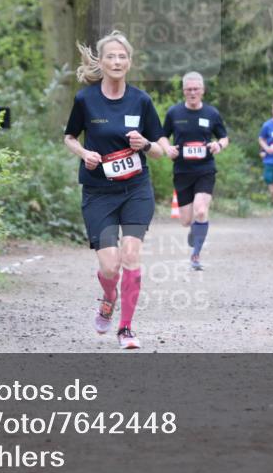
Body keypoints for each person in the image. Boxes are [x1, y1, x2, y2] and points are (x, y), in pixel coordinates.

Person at [63, 31, 165, 350]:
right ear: (101, 61)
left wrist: (145, 144)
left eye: (122, 56)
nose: (117, 61)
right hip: (98, 193)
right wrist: (84, 154)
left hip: (136, 190)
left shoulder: (141, 101)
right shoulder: (86, 99)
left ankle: (126, 329)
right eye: (111, 56)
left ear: (129, 62)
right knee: (110, 266)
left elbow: (161, 149)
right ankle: (109, 298)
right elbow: (69, 137)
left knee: (131, 255)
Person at [159, 72, 229, 271]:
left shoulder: (211, 113)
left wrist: (218, 145)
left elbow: (224, 137)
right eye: (189, 89)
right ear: (183, 91)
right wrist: (167, 149)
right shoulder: (174, 113)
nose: (192, 93)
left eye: (196, 89)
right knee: (186, 220)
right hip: (182, 171)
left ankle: (196, 255)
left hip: (205, 169)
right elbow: (162, 136)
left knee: (201, 210)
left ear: (202, 91)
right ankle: (195, 229)